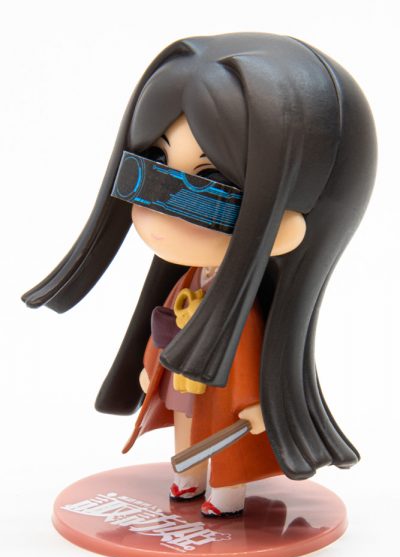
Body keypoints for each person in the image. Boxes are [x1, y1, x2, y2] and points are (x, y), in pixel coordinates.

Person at [22, 33, 377, 517]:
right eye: (156, 164)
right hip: (182, 387)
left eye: (211, 181)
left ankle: (225, 494)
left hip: (228, 396)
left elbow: (248, 360)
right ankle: (187, 480)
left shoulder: (245, 311)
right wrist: (152, 367)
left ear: (292, 221)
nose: (164, 207)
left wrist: (261, 403)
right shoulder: (189, 282)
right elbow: (165, 323)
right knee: (187, 434)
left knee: (224, 443)